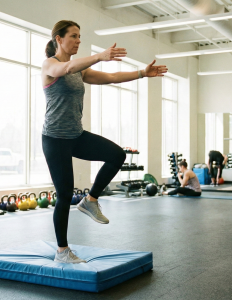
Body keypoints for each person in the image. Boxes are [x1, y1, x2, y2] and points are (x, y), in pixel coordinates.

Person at [41, 20, 168, 264]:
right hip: (55, 138)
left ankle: (90, 201)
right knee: (65, 194)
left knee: (117, 155)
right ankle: (62, 251)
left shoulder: (79, 69)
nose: (78, 40)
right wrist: (99, 55)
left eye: (80, 36)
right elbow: (63, 70)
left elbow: (111, 76)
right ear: (58, 38)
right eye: (74, 36)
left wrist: (142, 73)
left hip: (75, 135)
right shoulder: (50, 64)